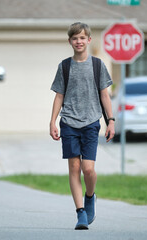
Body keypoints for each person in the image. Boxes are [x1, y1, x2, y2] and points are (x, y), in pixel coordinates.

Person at [49, 22, 115, 230]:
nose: (78, 41)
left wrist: (110, 120)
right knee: (74, 167)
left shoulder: (97, 65)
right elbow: (59, 95)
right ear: (70, 41)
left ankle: (90, 196)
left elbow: (105, 95)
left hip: (91, 122)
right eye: (74, 38)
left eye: (82, 37)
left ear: (89, 40)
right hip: (68, 122)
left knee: (88, 169)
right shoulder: (65, 66)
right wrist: (53, 121)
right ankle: (80, 214)